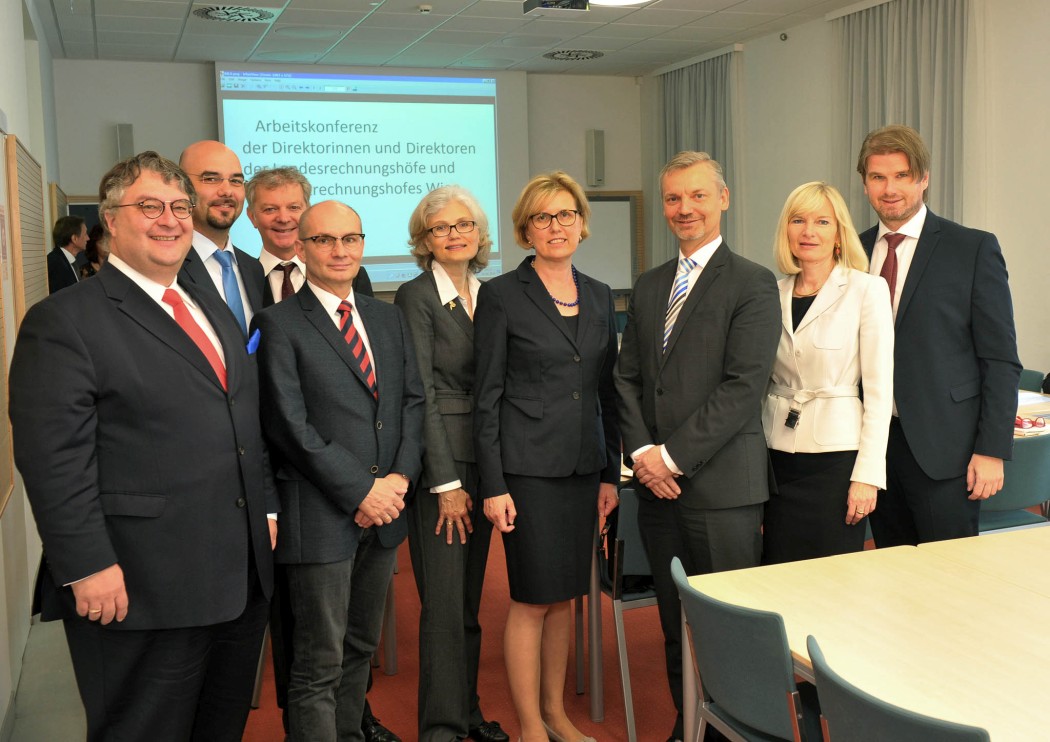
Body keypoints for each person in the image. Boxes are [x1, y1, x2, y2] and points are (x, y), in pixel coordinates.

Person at [9, 151, 277, 741]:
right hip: (138, 584)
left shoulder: (210, 305)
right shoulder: (64, 321)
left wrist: (266, 508)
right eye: (149, 206)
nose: (170, 220)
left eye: (180, 207)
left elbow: (243, 417)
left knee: (219, 728)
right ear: (110, 219)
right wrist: (86, 566)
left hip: (237, 577)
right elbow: (54, 462)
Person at [614, 151, 780, 742]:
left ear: (724, 199)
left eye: (697, 196)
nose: (685, 209)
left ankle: (731, 731)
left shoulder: (753, 282)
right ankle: (689, 725)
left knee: (728, 625)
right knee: (671, 619)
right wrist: (642, 458)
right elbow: (628, 378)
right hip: (656, 490)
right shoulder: (651, 282)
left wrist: (671, 458)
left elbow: (743, 387)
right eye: (674, 199)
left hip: (721, 489)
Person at [253, 200, 424, 742]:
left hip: (386, 510)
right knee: (317, 664)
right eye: (325, 240)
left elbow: (413, 404)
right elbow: (288, 424)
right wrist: (361, 491)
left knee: (359, 651)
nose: (340, 250)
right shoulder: (278, 324)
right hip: (321, 514)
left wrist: (397, 481)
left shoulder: (387, 316)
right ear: (301, 248)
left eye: (350, 238)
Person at [474, 171, 619, 742]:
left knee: (567, 599)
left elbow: (607, 393)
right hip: (527, 472)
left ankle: (557, 713)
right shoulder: (502, 294)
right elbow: (486, 397)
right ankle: (531, 725)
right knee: (534, 598)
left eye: (565, 215)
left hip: (584, 469)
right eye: (542, 217)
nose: (555, 226)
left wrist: (611, 474)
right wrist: (493, 484)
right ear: (524, 230)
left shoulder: (603, 294)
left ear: (582, 224)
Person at [857, 124, 1021, 545]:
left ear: (924, 179)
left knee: (951, 582)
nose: (889, 188)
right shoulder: (851, 253)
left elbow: (1000, 360)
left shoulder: (972, 248)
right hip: (871, 449)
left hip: (948, 452)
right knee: (890, 575)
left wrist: (992, 450)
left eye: (902, 175)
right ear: (864, 184)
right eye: (878, 177)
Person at [394, 186, 507, 742]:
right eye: (441, 228)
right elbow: (423, 395)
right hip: (445, 473)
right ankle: (439, 727)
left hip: (484, 464)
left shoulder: (489, 293)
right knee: (441, 605)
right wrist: (446, 483)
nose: (455, 234)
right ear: (425, 240)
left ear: (480, 235)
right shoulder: (415, 297)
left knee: (467, 601)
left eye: (464, 225)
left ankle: (466, 712)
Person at [762, 181, 894, 563]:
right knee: (777, 572)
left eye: (822, 221)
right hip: (776, 456)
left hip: (836, 462)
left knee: (831, 578)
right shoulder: (772, 292)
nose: (808, 231)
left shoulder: (867, 290)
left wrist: (868, 476)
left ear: (839, 234)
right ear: (786, 230)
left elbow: (880, 392)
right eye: (798, 220)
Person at [246, 166, 374, 306]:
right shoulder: (242, 278)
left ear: (307, 212)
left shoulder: (349, 273)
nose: (283, 218)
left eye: (294, 207)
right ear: (252, 216)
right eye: (270, 209)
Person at [178, 140, 265, 336]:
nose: (227, 191)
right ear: (182, 187)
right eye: (210, 179)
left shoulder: (253, 269)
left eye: (235, 181)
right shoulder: (168, 268)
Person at [47, 215, 87, 292]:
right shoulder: (55, 264)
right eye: (85, 234)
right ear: (74, 238)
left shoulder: (64, 260)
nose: (88, 238)